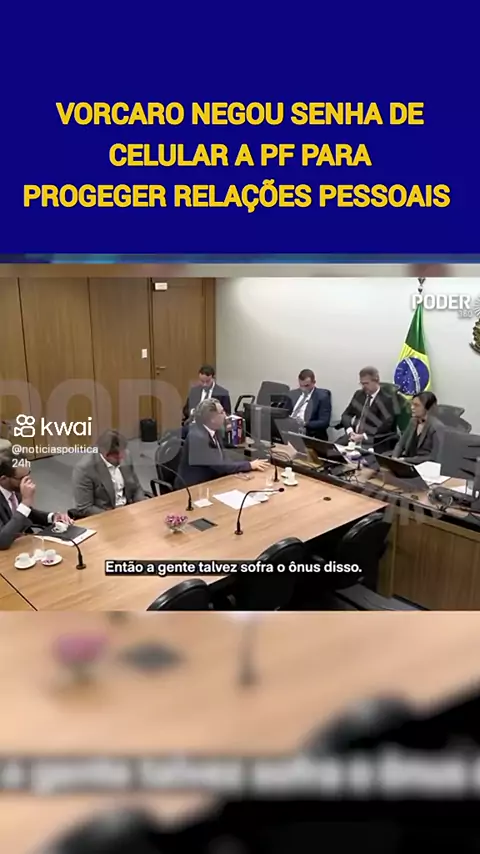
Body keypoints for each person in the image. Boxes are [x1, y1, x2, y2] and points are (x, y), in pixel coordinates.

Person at [176, 398, 269, 487]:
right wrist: (249, 465)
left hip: (211, 481)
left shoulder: (214, 430)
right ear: (212, 419)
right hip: (192, 487)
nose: (225, 415)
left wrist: (241, 468)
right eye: (222, 412)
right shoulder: (197, 438)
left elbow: (223, 457)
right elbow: (220, 465)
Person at [0, 452, 71, 550]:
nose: (28, 482)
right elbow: (2, 541)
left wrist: (52, 517)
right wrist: (25, 502)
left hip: (23, 544)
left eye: (28, 474)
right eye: (22, 478)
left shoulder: (14, 489)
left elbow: (27, 514)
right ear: (3, 479)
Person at [72, 429, 146, 517]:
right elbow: (85, 507)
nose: (122, 457)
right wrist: (114, 516)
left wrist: (142, 506)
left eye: (123, 452)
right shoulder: (84, 469)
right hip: (105, 515)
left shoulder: (126, 455)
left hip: (129, 509)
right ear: (104, 454)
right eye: (117, 456)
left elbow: (136, 488)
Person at [339, 366, 398, 448]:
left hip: (372, 440)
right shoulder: (359, 395)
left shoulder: (387, 400)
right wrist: (350, 431)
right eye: (361, 384)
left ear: (376, 381)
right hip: (352, 437)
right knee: (330, 450)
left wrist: (363, 436)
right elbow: (346, 414)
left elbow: (385, 426)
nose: (363, 387)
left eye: (366, 383)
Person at [392, 392, 444, 464]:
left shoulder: (437, 427)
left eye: (416, 405)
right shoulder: (413, 421)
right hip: (406, 462)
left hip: (422, 466)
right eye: (412, 404)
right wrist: (394, 458)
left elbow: (433, 457)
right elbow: (400, 444)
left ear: (427, 408)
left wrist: (405, 460)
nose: (412, 407)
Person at [286, 369, 331, 441]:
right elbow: (285, 412)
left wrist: (305, 424)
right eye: (301, 385)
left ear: (314, 382)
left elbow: (324, 422)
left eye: (306, 386)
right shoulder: (292, 394)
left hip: (309, 433)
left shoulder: (322, 397)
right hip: (290, 430)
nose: (303, 389)